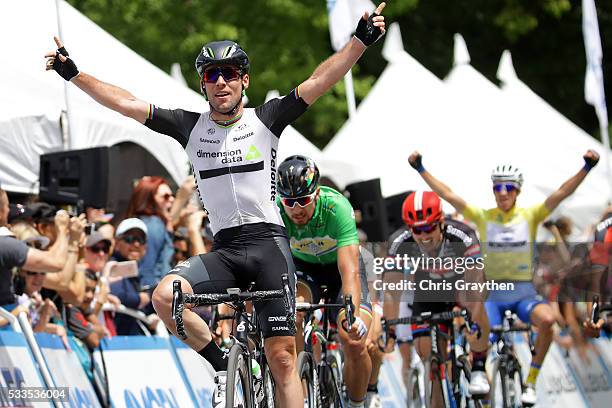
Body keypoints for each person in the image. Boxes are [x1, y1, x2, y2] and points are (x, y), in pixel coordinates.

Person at [45, 4, 386, 406]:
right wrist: (76, 75)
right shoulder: (188, 126)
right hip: (225, 250)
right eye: (211, 75)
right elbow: (126, 102)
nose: (220, 81)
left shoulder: (267, 119)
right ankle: (222, 360)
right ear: (204, 85)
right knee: (163, 297)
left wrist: (360, 42)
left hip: (269, 248)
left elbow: (318, 80)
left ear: (244, 80)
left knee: (281, 359)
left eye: (229, 74)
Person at [408, 149, 600, 405]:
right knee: (477, 331)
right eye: (497, 188)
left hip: (524, 293)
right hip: (493, 294)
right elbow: (448, 195)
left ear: (517, 190)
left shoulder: (530, 216)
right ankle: (479, 372)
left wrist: (586, 168)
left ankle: (530, 379)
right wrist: (421, 168)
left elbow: (563, 193)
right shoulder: (484, 216)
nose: (502, 193)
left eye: (508, 187)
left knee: (548, 320)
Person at [276, 155, 372, 407]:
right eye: (289, 202)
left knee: (352, 339)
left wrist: (353, 316)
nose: (296, 209)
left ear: (316, 193)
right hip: (305, 269)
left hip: (341, 269)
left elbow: (349, 270)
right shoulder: (274, 210)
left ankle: (357, 402)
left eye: (303, 200)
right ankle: (302, 390)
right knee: (295, 314)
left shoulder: (336, 207)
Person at [383, 191, 490, 407]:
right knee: (428, 356)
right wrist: (390, 330)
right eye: (417, 230)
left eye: (428, 227)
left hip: (461, 287)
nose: (423, 235)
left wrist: (472, 318)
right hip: (428, 293)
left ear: (441, 221)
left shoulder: (462, 234)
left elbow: (476, 287)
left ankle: (478, 366)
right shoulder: (399, 241)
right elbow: (391, 291)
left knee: (474, 306)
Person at [0, 186, 72, 307]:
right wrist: (63, 230)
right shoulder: (5, 245)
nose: (8, 210)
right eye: (7, 206)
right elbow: (57, 263)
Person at [125, 176, 175, 288]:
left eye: (172, 195)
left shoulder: (147, 222)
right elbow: (148, 264)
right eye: (165, 196)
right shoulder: (153, 224)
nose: (171, 199)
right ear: (149, 199)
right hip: (153, 289)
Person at [109, 218, 153, 335]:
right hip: (114, 341)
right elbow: (117, 294)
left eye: (141, 240)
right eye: (129, 239)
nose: (136, 244)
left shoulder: (134, 271)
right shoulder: (113, 264)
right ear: (117, 244)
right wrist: (143, 299)